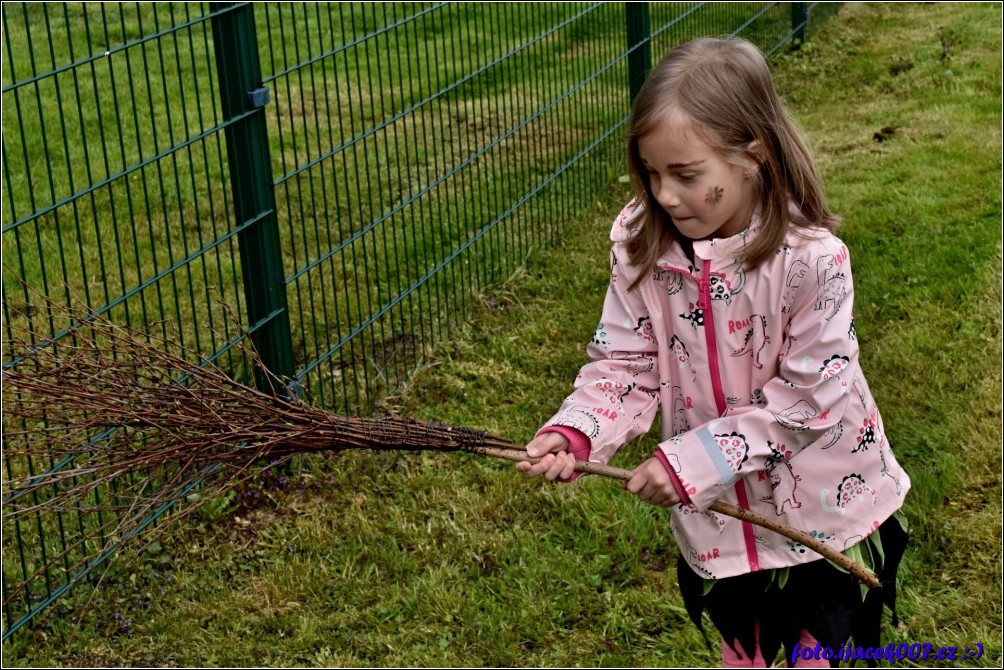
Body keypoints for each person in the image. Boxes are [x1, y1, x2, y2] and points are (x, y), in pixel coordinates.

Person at [516, 37, 910, 667]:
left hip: (826, 511)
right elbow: (625, 362)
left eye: (686, 175)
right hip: (721, 524)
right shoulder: (640, 245)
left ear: (751, 153)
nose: (665, 195)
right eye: (651, 172)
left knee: (822, 655)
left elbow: (810, 401)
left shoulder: (812, 261)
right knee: (743, 653)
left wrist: (693, 461)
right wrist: (580, 430)